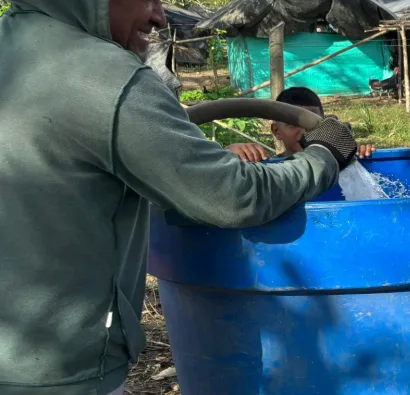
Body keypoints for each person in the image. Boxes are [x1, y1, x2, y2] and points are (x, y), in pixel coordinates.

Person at [0, 2, 358, 394]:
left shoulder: (12, 46)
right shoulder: (103, 76)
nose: (160, 16)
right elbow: (233, 195)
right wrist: (324, 156)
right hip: (56, 374)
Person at [227, 86, 376, 162]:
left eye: (313, 122)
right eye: (293, 123)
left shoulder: (338, 162)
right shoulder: (271, 167)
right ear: (277, 131)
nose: (305, 131)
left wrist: (358, 153)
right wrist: (229, 154)